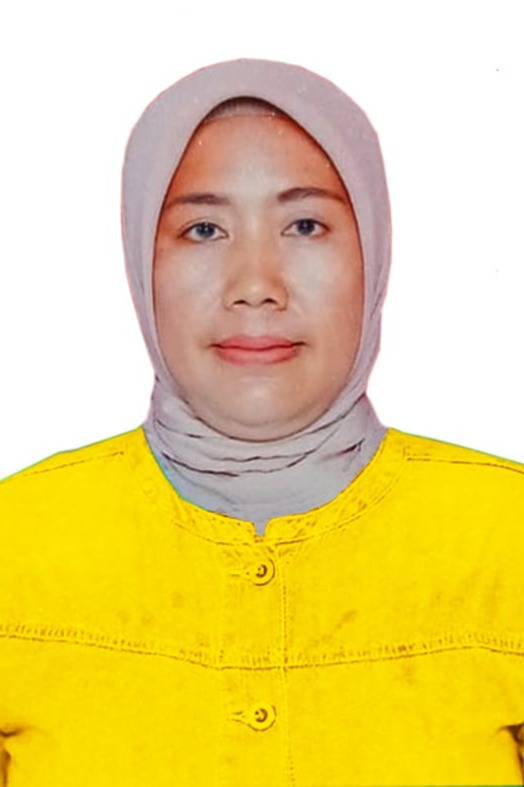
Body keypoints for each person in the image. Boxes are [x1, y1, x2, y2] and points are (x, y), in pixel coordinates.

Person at [1, 58, 523, 787]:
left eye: (304, 225)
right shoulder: (18, 545)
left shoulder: (505, 537)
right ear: (140, 259)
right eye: (204, 229)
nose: (255, 285)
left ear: (373, 253)